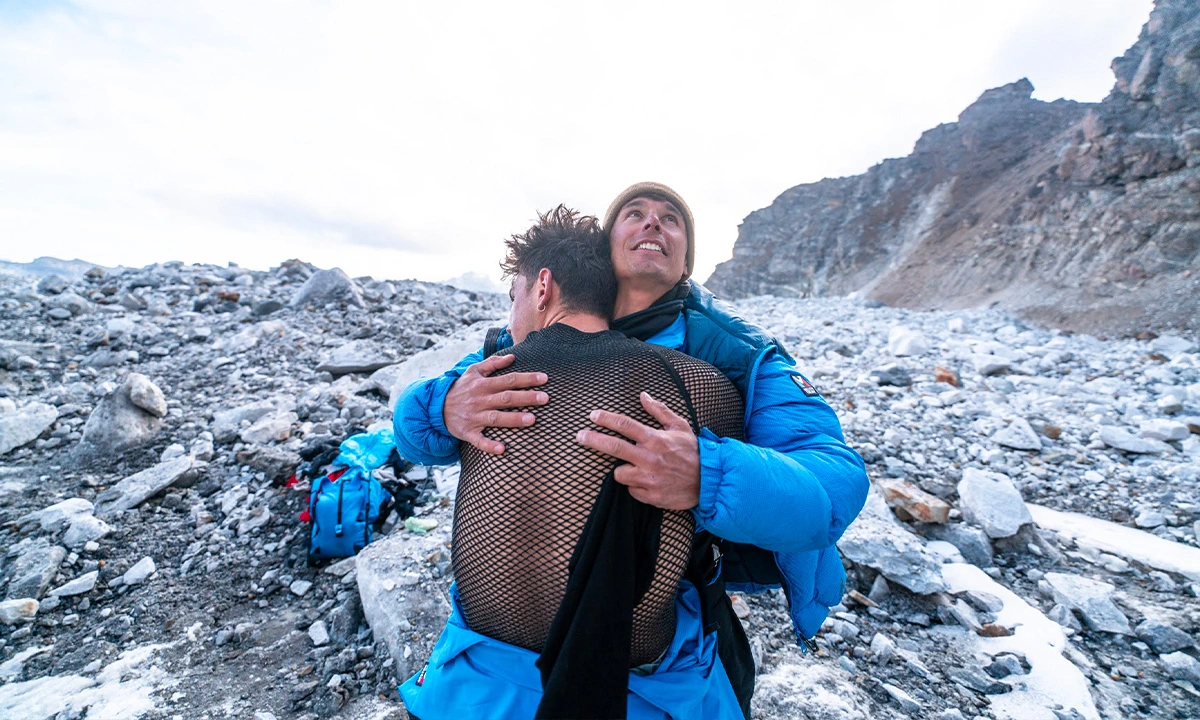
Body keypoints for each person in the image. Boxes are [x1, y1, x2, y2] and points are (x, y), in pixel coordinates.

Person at [395, 182, 869, 718]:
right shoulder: (516, 346)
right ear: (605, 245)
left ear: (687, 259)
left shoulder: (737, 355)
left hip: (667, 602)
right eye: (635, 213)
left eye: (672, 219)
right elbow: (414, 434)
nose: (652, 224)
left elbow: (835, 482)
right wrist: (443, 408)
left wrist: (709, 472)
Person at [400, 206, 747, 720]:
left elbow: (409, 437)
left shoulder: (482, 384)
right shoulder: (698, 384)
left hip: (474, 693)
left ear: (542, 289)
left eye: (512, 296)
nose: (510, 315)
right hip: (632, 695)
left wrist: (442, 403)